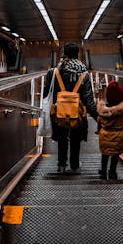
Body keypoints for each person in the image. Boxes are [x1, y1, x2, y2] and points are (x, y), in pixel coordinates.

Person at [43, 42, 97, 173]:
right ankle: (74, 164)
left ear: (64, 54)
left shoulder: (53, 72)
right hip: (77, 112)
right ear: (77, 55)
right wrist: (97, 117)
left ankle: (61, 165)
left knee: (62, 138)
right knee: (75, 139)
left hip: (59, 112)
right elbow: (88, 98)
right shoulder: (84, 73)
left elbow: (46, 94)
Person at [97, 80, 123, 180]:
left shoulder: (102, 110)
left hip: (104, 136)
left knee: (104, 155)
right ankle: (112, 173)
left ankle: (103, 172)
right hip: (119, 136)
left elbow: (99, 122)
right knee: (115, 156)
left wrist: (98, 130)